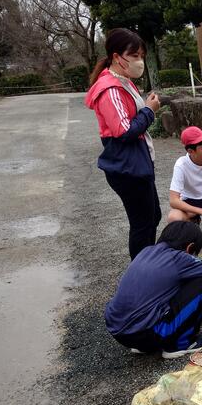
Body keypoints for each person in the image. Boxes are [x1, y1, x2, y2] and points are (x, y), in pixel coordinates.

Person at [85, 28, 161, 260]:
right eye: (134, 55)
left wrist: (146, 109)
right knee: (142, 223)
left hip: (138, 162)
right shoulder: (110, 89)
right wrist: (149, 111)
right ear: (117, 57)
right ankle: (141, 271)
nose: (140, 61)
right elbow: (124, 131)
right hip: (127, 167)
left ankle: (147, 265)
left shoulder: (124, 82)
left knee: (153, 217)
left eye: (142, 56)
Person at [105, 221, 202, 358]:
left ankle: (146, 346)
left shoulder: (146, 251)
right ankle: (180, 344)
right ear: (189, 247)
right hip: (145, 333)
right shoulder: (180, 258)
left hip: (117, 330)